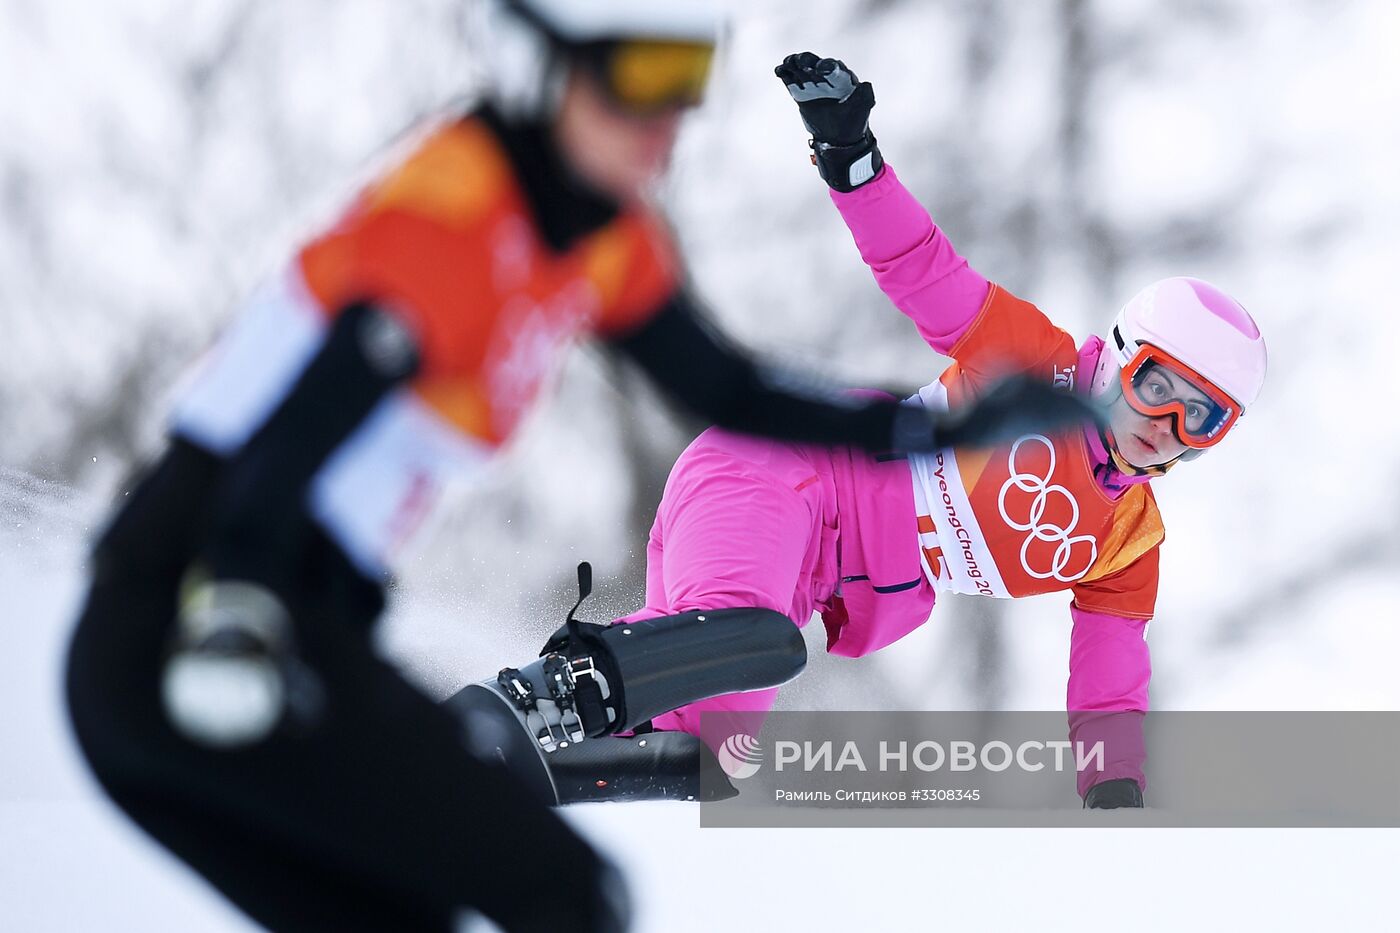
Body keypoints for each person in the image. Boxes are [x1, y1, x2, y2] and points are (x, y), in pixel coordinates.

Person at [63, 5, 1093, 931]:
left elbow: (734, 393)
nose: (662, 124)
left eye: (685, 81)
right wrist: (236, 605)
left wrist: (938, 435)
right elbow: (290, 434)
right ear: (534, 61)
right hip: (188, 625)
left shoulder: (598, 236)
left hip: (286, 620)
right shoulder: (452, 216)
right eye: (636, 78)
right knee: (567, 897)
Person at [499, 51, 1268, 811]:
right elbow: (925, 271)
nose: (1165, 425)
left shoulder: (1126, 539)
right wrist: (853, 160)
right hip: (786, 473)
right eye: (1156, 385)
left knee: (704, 751)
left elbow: (1111, 677)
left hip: (813, 573)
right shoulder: (1037, 363)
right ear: (1120, 358)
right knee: (744, 636)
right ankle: (537, 701)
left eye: (1199, 419)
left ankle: (519, 783)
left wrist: (1113, 788)